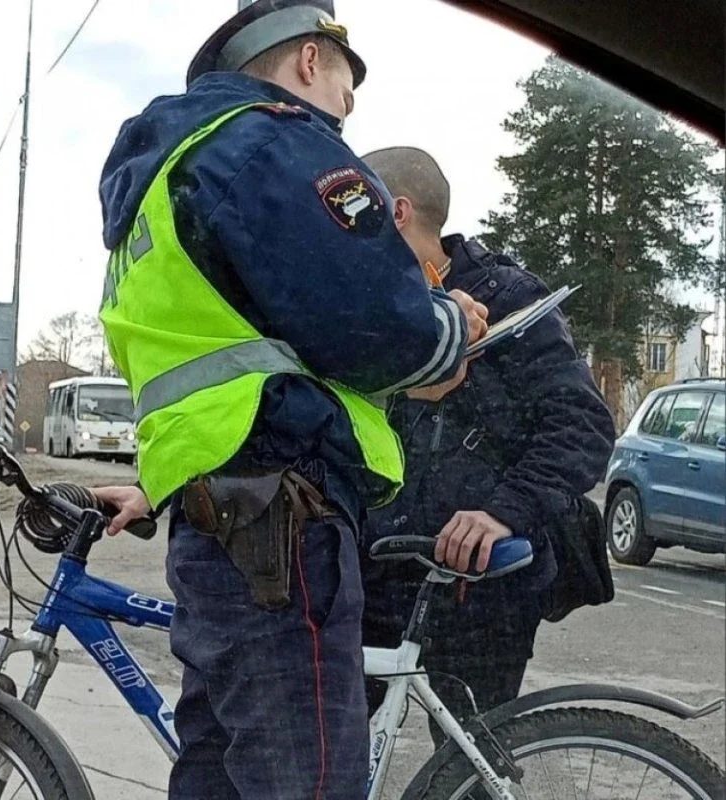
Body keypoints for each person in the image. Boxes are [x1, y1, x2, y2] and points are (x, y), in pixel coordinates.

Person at [90, 5, 488, 798]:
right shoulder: (273, 141)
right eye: (345, 86)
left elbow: (244, 343)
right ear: (309, 60)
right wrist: (448, 330)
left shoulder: (160, 184)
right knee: (307, 779)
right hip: (282, 514)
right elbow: (373, 322)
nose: (347, 108)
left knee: (220, 775)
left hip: (214, 519)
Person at [359, 147, 616, 744]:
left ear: (396, 212)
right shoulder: (364, 306)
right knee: (330, 754)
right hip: (376, 574)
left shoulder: (509, 298)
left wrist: (504, 511)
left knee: (469, 762)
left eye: (354, 212)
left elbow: (582, 424)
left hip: (481, 591)